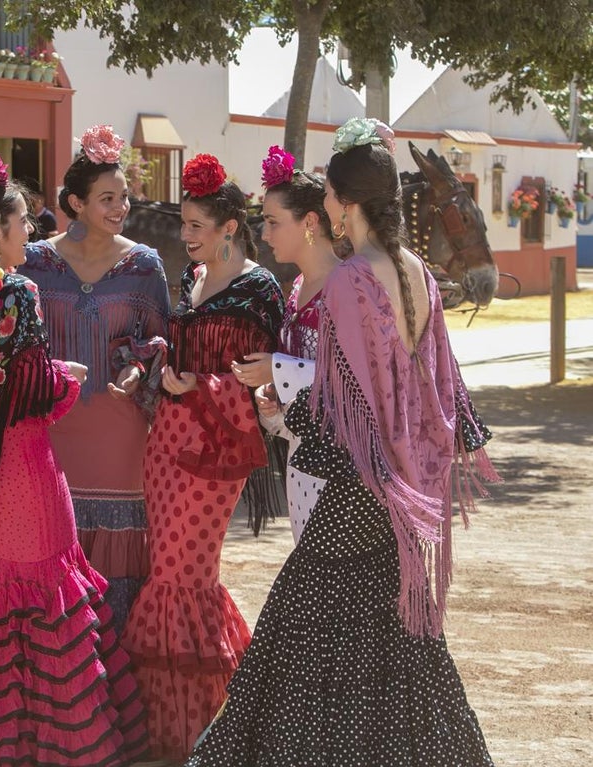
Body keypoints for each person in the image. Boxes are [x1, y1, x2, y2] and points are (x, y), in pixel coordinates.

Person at [186, 118, 499, 766]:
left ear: (342, 201)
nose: (324, 201)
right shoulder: (416, 270)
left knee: (302, 633)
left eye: (328, 190)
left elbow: (347, 406)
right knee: (401, 642)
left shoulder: (355, 279)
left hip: (361, 486)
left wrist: (294, 416)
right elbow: (438, 390)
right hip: (406, 492)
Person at [0, 149, 150, 766]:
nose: (30, 233)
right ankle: (54, 740)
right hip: (23, 470)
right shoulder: (18, 292)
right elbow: (30, 393)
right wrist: (67, 376)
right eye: (22, 223)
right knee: (45, 594)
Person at [119, 153, 285, 761]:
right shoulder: (192, 280)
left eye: (196, 227)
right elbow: (183, 350)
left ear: (229, 228)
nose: (185, 236)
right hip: (167, 438)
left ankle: (206, 727)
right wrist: (162, 374)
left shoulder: (259, 289)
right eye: (184, 225)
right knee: (166, 572)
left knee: (189, 576)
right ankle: (164, 726)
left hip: (216, 448)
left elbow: (263, 380)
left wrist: (203, 389)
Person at [18, 124, 170, 633]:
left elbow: (162, 343)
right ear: (77, 203)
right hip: (49, 433)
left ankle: (114, 677)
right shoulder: (34, 264)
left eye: (124, 197)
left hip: (120, 435)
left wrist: (138, 365)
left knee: (118, 559)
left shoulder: (144, 266)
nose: (120, 207)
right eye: (107, 198)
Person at [233, 145, 341, 544]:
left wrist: (277, 369)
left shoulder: (346, 289)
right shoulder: (296, 288)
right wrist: (272, 401)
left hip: (344, 470)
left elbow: (360, 381)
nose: (263, 234)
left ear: (310, 222)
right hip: (302, 464)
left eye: (273, 222)